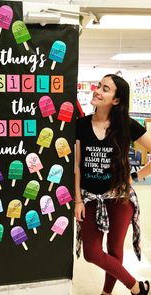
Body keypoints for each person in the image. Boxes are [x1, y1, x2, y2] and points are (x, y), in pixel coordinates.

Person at [75, 74, 151, 295]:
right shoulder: (80, 125)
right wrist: (78, 199)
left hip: (119, 199)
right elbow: (77, 166)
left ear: (116, 100)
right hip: (89, 199)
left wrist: (135, 176)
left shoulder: (127, 126)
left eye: (105, 89)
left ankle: (106, 293)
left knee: (115, 249)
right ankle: (137, 287)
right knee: (92, 252)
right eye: (99, 86)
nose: (97, 90)